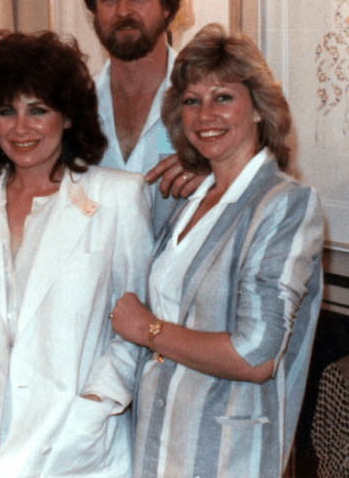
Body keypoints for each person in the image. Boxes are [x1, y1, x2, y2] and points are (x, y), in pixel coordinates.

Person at [110, 24, 324, 477]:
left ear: (259, 109)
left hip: (225, 458)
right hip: (155, 449)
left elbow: (255, 356)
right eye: (192, 101)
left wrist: (147, 329)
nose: (205, 114)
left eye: (223, 97)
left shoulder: (285, 204)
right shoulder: (187, 199)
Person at [0, 31, 152, 478]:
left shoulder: (117, 198)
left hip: (77, 447)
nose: (21, 128)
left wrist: (96, 404)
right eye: (6, 111)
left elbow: (137, 323)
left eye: (38, 110)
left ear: (69, 116)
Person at [0, 0, 204, 236]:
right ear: (94, 10)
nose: (123, 11)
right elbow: (33, 169)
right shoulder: (72, 105)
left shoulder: (207, 102)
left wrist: (217, 171)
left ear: (167, 6)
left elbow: (248, 171)